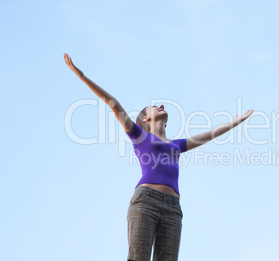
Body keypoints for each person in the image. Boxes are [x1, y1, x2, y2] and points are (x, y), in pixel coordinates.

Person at [63, 53, 253, 261]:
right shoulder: (139, 135)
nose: (161, 106)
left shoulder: (177, 145)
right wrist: (81, 76)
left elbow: (209, 135)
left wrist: (235, 123)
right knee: (138, 257)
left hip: (173, 207)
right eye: (155, 107)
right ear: (146, 118)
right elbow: (113, 103)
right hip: (145, 201)